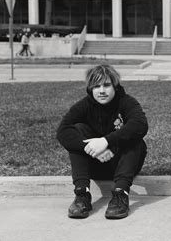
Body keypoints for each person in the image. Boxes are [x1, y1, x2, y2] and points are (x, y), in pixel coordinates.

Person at [56, 64, 148, 219]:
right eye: (96, 86)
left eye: (106, 85)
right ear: (90, 89)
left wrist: (106, 141)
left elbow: (140, 125)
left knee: (135, 138)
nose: (102, 91)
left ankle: (120, 195)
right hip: (94, 164)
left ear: (115, 86)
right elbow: (63, 131)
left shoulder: (126, 102)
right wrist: (92, 147)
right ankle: (82, 194)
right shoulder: (84, 105)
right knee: (77, 130)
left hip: (123, 165)